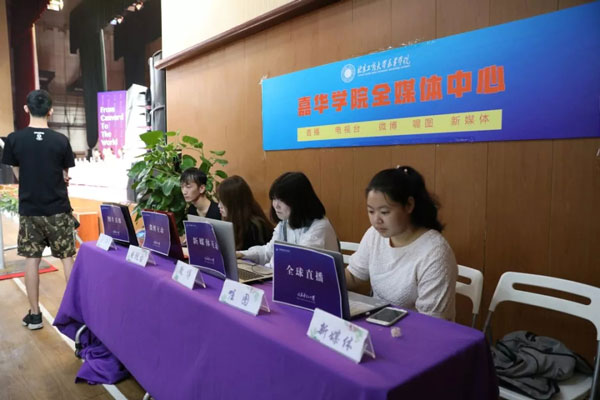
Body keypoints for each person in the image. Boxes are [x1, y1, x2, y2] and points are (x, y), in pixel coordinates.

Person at [1, 90, 76, 330]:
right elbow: (64, 175)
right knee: (67, 258)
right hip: (58, 210)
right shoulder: (61, 140)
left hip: (31, 211)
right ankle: (75, 315)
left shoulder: (14, 139)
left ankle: (35, 316)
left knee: (32, 261)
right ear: (50, 110)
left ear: (26, 109)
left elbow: (18, 174)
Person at [345, 166, 457, 320]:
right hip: (379, 322)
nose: (376, 220)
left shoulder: (435, 253)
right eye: (371, 211)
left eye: (384, 212)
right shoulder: (375, 235)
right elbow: (353, 276)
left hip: (415, 329)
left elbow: (432, 321)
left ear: (409, 205)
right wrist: (323, 281)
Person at [237, 171, 339, 267]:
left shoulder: (319, 227)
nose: (276, 205)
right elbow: (269, 251)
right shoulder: (285, 223)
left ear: (298, 201)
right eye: (274, 198)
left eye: (281, 200)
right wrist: (242, 254)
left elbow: (297, 261)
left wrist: (263, 271)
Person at [216, 175, 274, 250]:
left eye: (223, 202)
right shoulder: (231, 221)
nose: (219, 206)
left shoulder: (254, 227)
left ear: (234, 203)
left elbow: (253, 255)